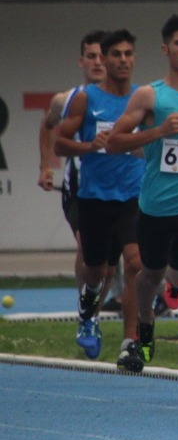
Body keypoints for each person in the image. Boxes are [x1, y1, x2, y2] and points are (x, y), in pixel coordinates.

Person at [106, 15, 178, 378]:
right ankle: (145, 327)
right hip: (156, 203)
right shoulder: (150, 95)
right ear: (167, 49)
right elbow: (115, 143)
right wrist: (156, 132)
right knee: (149, 275)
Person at [54, 29, 146, 371]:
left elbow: (151, 140)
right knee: (97, 270)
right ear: (103, 60)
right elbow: (59, 144)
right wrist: (89, 146)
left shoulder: (142, 98)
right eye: (116, 54)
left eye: (128, 53)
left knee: (135, 263)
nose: (123, 60)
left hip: (133, 196)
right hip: (94, 197)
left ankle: (130, 342)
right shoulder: (85, 99)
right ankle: (88, 314)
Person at [39, 31, 106, 306]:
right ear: (81, 61)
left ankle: (98, 308)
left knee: (109, 261)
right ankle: (86, 309)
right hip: (78, 188)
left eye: (103, 56)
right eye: (92, 56)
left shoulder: (130, 100)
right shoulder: (64, 100)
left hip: (117, 185)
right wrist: (45, 166)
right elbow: (47, 125)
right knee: (87, 246)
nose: (98, 62)